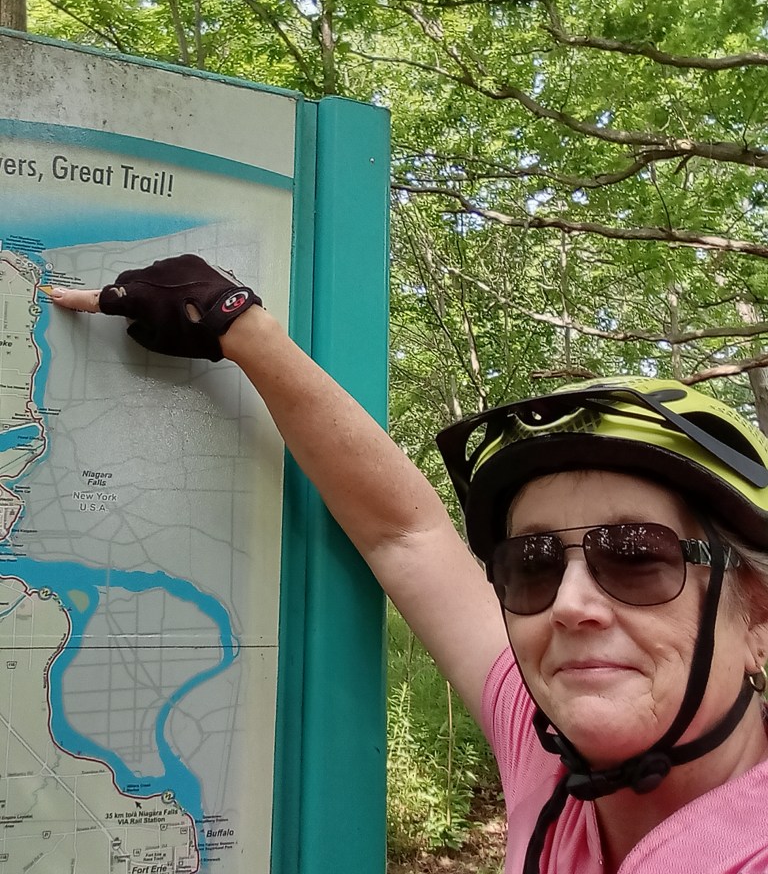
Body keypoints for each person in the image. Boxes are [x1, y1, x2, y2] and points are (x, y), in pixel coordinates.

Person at [52, 255, 768, 874]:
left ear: (758, 613)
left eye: (637, 557)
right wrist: (235, 323)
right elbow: (406, 533)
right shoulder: (546, 748)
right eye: (532, 563)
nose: (570, 603)